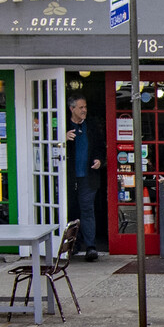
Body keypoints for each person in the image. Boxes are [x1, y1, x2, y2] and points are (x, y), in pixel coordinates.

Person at [64, 94, 103, 260]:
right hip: (69, 177)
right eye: (81, 107)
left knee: (87, 210)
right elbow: (49, 147)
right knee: (71, 211)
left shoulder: (92, 126)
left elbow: (101, 147)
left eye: (85, 107)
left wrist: (100, 160)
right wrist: (62, 139)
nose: (84, 110)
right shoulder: (62, 125)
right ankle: (72, 245)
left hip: (88, 176)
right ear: (72, 109)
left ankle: (91, 246)